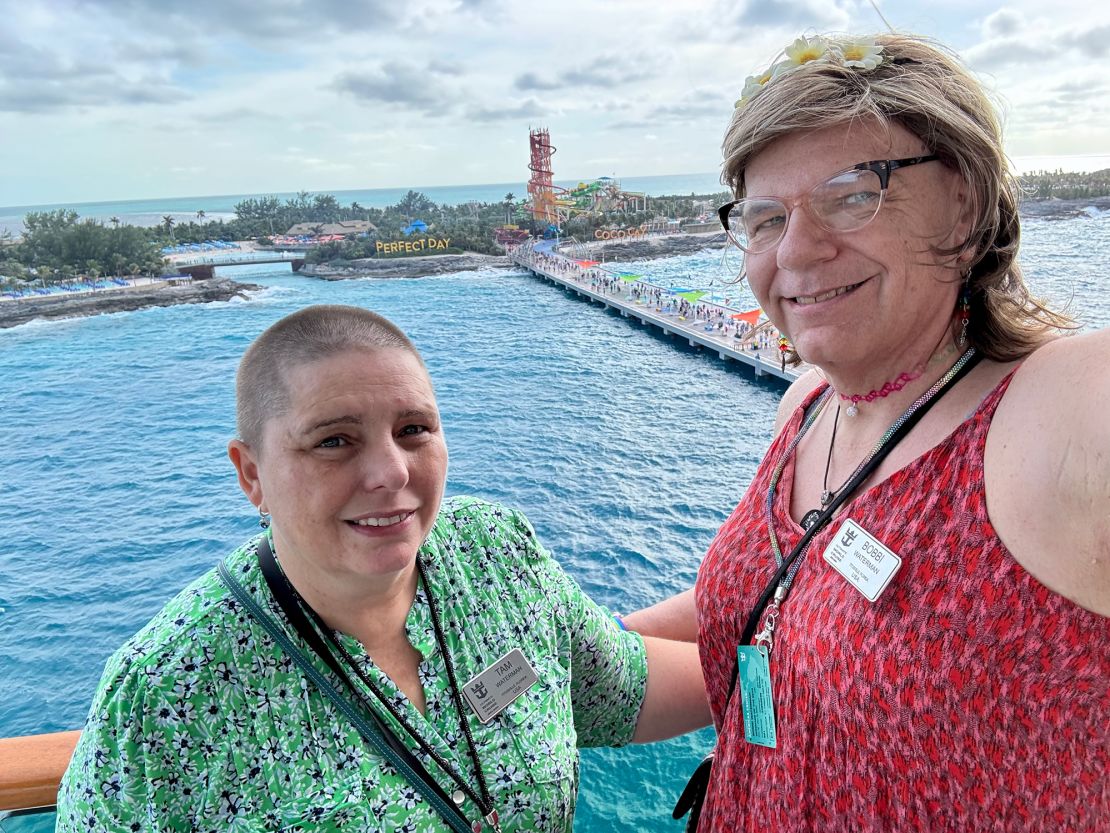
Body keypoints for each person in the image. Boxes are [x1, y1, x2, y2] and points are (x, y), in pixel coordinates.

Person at [624, 32, 1109, 832]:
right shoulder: (808, 405)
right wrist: (533, 635)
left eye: (854, 192)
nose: (798, 249)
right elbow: (782, 601)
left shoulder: (1051, 419)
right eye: (765, 217)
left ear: (966, 198)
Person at [57, 304, 709, 832]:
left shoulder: (493, 554)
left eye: (414, 429)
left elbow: (622, 686)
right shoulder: (165, 694)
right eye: (335, 440)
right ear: (251, 474)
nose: (391, 472)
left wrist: (800, 657)